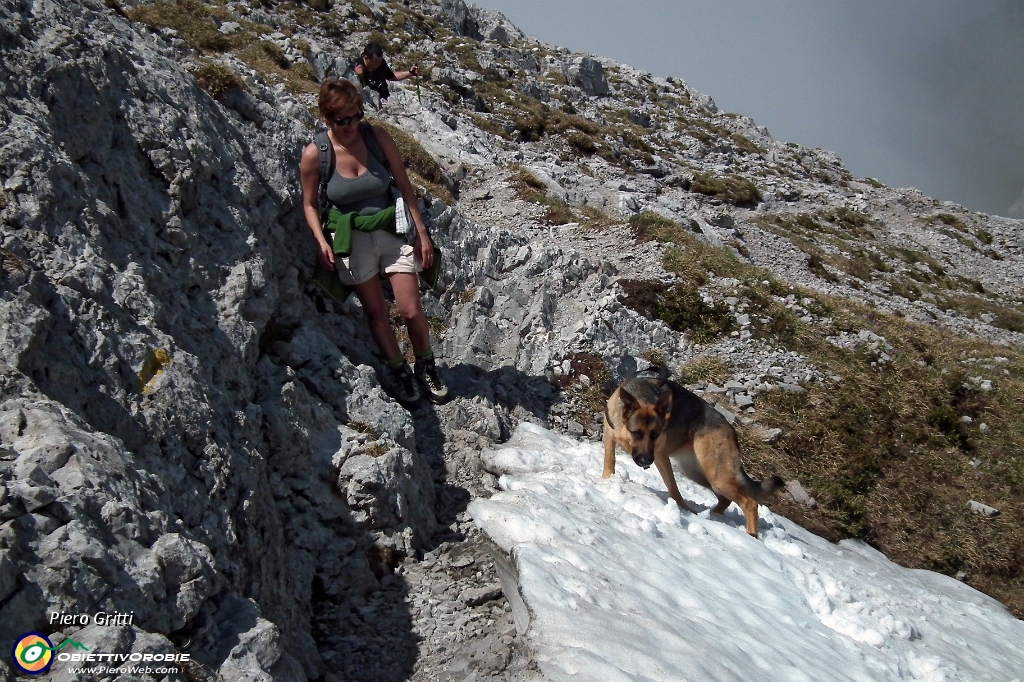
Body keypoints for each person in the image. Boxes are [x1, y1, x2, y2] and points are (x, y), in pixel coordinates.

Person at [300, 78, 447, 405]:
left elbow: (404, 184)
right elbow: (309, 204)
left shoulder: (376, 137)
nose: (351, 125)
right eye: (342, 120)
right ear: (327, 118)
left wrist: (422, 232)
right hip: (351, 240)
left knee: (410, 310)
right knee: (376, 312)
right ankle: (398, 370)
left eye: (356, 116)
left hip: (390, 231)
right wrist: (321, 240)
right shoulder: (316, 154)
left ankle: (426, 364)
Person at [349, 41, 420, 102]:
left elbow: (391, 76)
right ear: (366, 58)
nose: (379, 64)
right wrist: (356, 74)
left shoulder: (381, 63)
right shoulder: (356, 67)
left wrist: (410, 73)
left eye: (380, 61)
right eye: (376, 62)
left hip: (385, 101)